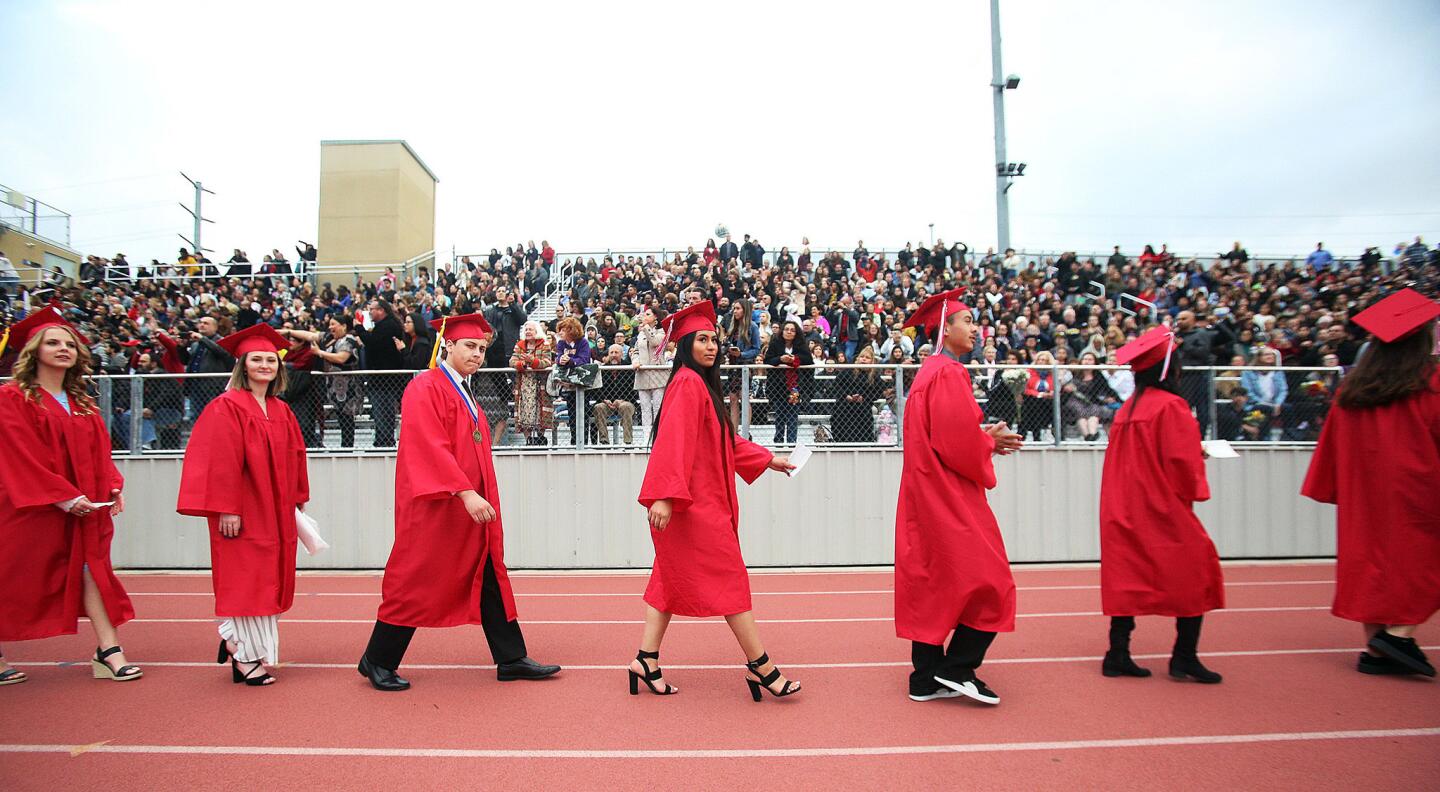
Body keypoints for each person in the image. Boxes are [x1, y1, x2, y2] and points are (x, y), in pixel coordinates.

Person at [359, 313, 561, 691]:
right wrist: (465, 491)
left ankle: (511, 657)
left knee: (487, 575)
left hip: (470, 507)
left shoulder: (464, 392)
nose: (477, 354)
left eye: (482, 349)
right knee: (416, 577)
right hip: (439, 505)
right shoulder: (426, 387)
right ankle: (378, 658)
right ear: (447, 345)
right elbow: (428, 445)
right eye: (469, 346)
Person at [630, 300, 798, 699]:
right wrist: (665, 497)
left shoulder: (699, 385)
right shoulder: (688, 383)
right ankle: (762, 667)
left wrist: (768, 459)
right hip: (693, 506)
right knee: (730, 579)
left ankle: (645, 659)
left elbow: (722, 441)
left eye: (714, 340)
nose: (710, 346)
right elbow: (674, 440)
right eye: (701, 339)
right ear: (684, 345)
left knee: (667, 581)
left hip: (700, 503)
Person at [894, 289, 1023, 704]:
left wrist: (982, 437)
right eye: (967, 321)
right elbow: (955, 444)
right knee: (992, 580)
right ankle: (959, 667)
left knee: (933, 583)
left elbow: (946, 435)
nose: (975, 328)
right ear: (945, 329)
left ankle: (926, 678)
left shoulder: (927, 374)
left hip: (925, 492)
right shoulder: (948, 373)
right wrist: (986, 444)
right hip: (947, 494)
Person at [1302, 289, 1440, 677]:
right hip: (1420, 486)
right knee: (1426, 562)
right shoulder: (1430, 381)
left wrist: (1336, 485)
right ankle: (1397, 636)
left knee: (1372, 564)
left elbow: (1332, 444)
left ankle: (1376, 650)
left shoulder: (1353, 388)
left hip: (1365, 490)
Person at [0, 306, 140, 686]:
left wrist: (112, 485)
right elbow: (18, 454)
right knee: (13, 575)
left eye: (69, 344)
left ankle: (108, 650)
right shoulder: (12, 398)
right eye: (53, 343)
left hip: (84, 505)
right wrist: (62, 496)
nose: (63, 349)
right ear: (33, 350)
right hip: (29, 505)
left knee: (92, 570)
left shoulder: (83, 405)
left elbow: (101, 453)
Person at [176, 324, 310, 686]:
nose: (265, 365)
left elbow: (297, 457)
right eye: (257, 359)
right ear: (243, 364)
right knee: (244, 578)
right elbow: (218, 461)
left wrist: (297, 502)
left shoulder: (281, 410)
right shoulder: (226, 407)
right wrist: (226, 507)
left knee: (269, 577)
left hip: (277, 510)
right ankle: (241, 650)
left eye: (271, 359)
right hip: (243, 511)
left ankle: (243, 644)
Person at [1099, 327, 1225, 684]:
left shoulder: (1127, 409)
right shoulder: (1172, 406)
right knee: (1197, 571)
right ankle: (1185, 657)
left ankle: (1117, 654)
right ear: (1170, 368)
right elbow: (1182, 466)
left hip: (1123, 505)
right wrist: (1197, 461)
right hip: (1160, 506)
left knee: (1127, 578)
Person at [357, 299, 405, 447]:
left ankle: (384, 439)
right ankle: (382, 438)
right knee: (381, 410)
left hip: (384, 377)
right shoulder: (385, 325)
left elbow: (373, 342)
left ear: (381, 310)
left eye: (372, 309)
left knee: (383, 409)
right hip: (380, 376)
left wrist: (359, 328)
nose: (370, 312)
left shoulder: (388, 326)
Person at [763, 319, 813, 444]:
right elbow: (768, 360)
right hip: (778, 386)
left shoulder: (801, 344)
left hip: (795, 386)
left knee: (792, 414)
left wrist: (794, 359)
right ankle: (778, 441)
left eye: (792, 330)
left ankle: (792, 443)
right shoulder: (775, 343)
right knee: (779, 414)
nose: (789, 332)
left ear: (796, 333)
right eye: (786, 329)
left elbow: (808, 360)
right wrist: (780, 359)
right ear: (782, 331)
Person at [510, 321, 554, 446]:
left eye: (531, 329)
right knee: (524, 412)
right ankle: (528, 439)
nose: (528, 331)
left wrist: (533, 361)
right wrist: (522, 364)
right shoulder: (520, 345)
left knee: (541, 411)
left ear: (537, 331)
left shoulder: (544, 344)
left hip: (540, 383)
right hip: (524, 383)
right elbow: (512, 361)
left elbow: (547, 362)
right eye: (526, 329)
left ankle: (541, 437)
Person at [831, 344, 883, 443]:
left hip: (863, 409)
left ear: (871, 361)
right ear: (858, 358)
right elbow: (836, 386)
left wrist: (864, 398)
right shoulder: (848, 371)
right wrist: (846, 396)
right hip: (843, 408)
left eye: (867, 358)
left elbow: (878, 391)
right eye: (862, 357)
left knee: (864, 435)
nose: (864, 359)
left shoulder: (874, 375)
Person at [632, 307, 668, 436]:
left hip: (657, 373)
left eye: (648, 314)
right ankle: (646, 437)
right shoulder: (641, 334)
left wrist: (645, 327)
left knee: (658, 407)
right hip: (642, 373)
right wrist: (635, 360)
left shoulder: (663, 332)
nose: (644, 316)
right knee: (645, 408)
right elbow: (635, 351)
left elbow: (654, 342)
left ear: (656, 318)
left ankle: (659, 436)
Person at [592, 344, 637, 444]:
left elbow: (634, 390)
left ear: (622, 354)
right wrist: (604, 400)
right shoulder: (602, 370)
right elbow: (596, 390)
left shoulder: (629, 368)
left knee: (625, 407)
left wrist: (622, 400)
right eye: (611, 353)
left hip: (625, 401)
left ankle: (628, 441)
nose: (613, 355)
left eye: (616, 352)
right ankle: (604, 440)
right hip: (607, 403)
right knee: (598, 407)